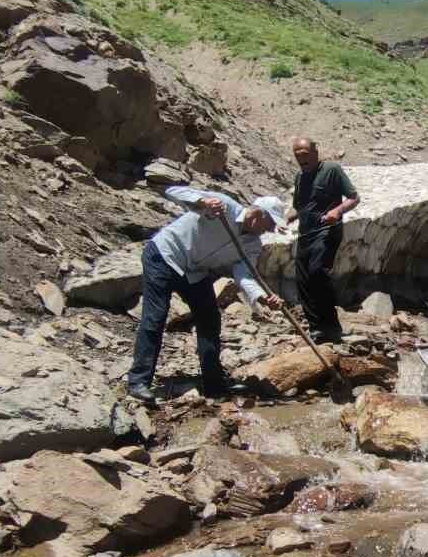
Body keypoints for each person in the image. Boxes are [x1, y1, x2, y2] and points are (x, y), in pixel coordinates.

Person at [128, 186, 283, 404]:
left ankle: (214, 385)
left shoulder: (252, 244)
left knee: (209, 319)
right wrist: (202, 201)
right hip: (165, 255)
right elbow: (173, 191)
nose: (272, 230)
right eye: (271, 224)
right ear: (258, 214)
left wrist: (262, 297)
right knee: (155, 317)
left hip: (195, 272)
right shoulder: (224, 206)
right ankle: (138, 382)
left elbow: (245, 274)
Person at [289, 138, 359, 343]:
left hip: (327, 230)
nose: (301, 158)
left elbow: (354, 197)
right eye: (297, 155)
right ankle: (316, 328)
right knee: (302, 281)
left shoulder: (331, 169)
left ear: (315, 152)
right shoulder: (299, 177)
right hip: (305, 234)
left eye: (304, 153)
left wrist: (337, 211)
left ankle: (332, 326)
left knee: (317, 271)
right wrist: (285, 218)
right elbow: (298, 207)